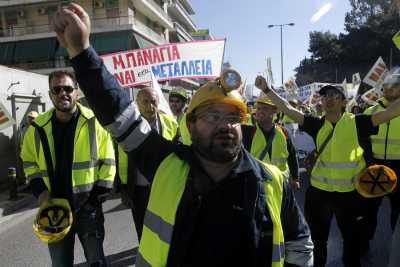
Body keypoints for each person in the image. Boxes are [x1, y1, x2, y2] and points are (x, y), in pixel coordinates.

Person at [53, 4, 314, 266]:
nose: (225, 125)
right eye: (213, 116)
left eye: (233, 118)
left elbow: (300, 243)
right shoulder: (167, 164)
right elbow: (118, 113)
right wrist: (81, 51)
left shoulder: (273, 182)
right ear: (190, 126)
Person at [255, 75, 400, 267]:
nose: (328, 98)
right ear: (321, 102)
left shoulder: (358, 122)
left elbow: (391, 112)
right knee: (317, 242)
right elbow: (287, 109)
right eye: (324, 96)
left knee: (351, 242)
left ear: (343, 101)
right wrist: (267, 90)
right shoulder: (316, 124)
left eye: (334, 95)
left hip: (349, 195)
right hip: (318, 195)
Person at [21, 70, 116, 267]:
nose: (63, 93)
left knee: (96, 262)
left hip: (87, 210)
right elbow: (29, 163)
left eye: (68, 88)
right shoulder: (37, 128)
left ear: (77, 93)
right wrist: (41, 194)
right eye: (57, 89)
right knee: (60, 264)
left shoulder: (95, 122)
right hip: (54, 211)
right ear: (50, 95)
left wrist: (93, 202)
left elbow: (108, 165)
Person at [118, 87, 178, 240]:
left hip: (164, 188)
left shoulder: (171, 123)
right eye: (145, 102)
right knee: (142, 230)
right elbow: (118, 157)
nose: (150, 106)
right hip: (138, 191)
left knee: (166, 229)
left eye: (153, 102)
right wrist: (122, 188)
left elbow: (178, 155)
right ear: (137, 103)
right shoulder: (127, 125)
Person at [361, 67, 400, 249]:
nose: (390, 88)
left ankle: (397, 246)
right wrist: (367, 162)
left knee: (398, 212)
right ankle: (363, 243)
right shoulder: (371, 110)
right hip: (374, 165)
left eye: (395, 85)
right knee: (368, 210)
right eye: (387, 85)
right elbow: (361, 140)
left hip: (399, 167)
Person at [242, 95, 300, 190]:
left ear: (274, 111)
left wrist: (295, 178)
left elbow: (292, 156)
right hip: (258, 186)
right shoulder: (248, 131)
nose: (260, 111)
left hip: (280, 184)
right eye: (258, 108)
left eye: (265, 108)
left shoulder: (284, 132)